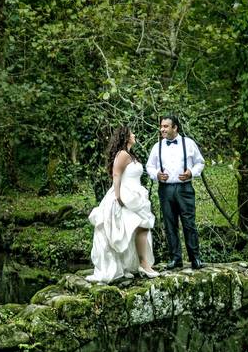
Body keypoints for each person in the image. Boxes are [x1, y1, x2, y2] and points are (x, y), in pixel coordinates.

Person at [85, 126, 159, 283]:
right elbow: (116, 174)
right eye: (132, 133)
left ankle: (135, 264)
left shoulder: (130, 154)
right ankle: (143, 264)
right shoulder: (123, 154)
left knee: (136, 228)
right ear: (125, 137)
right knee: (133, 227)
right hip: (124, 195)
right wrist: (118, 197)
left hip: (135, 194)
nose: (134, 135)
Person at [146, 114, 205, 270]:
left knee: (189, 224)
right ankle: (175, 258)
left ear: (175, 127)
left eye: (166, 126)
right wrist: (156, 175)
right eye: (161, 126)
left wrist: (191, 172)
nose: (162, 129)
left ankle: (195, 258)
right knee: (170, 224)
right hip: (165, 190)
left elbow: (200, 162)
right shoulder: (156, 146)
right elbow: (149, 167)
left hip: (185, 188)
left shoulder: (189, 143)